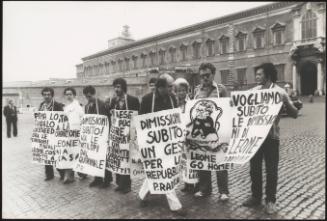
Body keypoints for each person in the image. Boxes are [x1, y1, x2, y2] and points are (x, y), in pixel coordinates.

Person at [242, 63, 298, 214]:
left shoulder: (280, 92)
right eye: (257, 74)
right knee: (254, 169)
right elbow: (241, 108)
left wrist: (286, 101)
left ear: (267, 75)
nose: (257, 77)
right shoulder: (253, 91)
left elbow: (294, 114)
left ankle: (270, 201)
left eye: (259, 74)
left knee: (271, 171)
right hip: (254, 136)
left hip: (271, 137)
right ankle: (256, 197)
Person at [138, 78, 186, 216]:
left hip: (168, 142)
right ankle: (175, 205)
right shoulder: (147, 99)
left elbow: (176, 117)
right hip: (153, 143)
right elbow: (141, 121)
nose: (172, 88)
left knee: (162, 170)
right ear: (160, 88)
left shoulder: (172, 98)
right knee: (162, 171)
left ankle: (142, 195)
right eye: (169, 86)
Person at [192, 62, 230, 201]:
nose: (204, 78)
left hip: (218, 131)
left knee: (220, 161)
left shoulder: (221, 90)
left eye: (207, 75)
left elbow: (227, 108)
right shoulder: (196, 91)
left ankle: (223, 191)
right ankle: (205, 189)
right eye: (202, 76)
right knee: (203, 160)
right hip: (202, 132)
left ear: (213, 74)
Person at [109, 78, 140, 194]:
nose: (116, 89)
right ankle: (119, 184)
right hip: (118, 136)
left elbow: (137, 116)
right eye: (115, 87)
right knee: (118, 158)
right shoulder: (113, 101)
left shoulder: (133, 100)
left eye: (119, 87)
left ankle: (127, 185)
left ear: (123, 88)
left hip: (128, 135)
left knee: (126, 159)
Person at [83, 85, 113, 188]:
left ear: (93, 94)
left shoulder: (101, 104)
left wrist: (107, 135)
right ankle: (97, 178)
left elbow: (107, 119)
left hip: (103, 136)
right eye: (87, 96)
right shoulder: (86, 107)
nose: (89, 97)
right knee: (95, 157)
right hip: (93, 137)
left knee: (104, 158)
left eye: (90, 95)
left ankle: (107, 179)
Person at [174, 78, 199, 194]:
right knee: (184, 161)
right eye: (178, 91)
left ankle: (196, 185)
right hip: (180, 137)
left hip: (190, 135)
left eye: (183, 90)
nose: (181, 93)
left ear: (187, 91)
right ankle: (187, 184)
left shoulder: (191, 103)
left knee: (192, 161)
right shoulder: (174, 104)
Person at [38, 87, 65, 181]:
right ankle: (49, 174)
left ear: (52, 95)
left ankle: (62, 172)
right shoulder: (41, 105)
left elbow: (62, 119)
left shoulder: (57, 105)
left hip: (55, 134)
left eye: (48, 94)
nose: (46, 96)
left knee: (57, 154)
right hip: (45, 134)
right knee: (46, 154)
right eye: (45, 94)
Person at [62, 87, 85, 184]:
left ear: (74, 95)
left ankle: (82, 172)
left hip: (76, 133)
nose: (68, 96)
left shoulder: (78, 106)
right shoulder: (66, 107)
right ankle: (70, 176)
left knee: (77, 153)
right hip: (68, 134)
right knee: (69, 154)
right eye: (67, 94)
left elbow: (82, 118)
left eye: (70, 94)